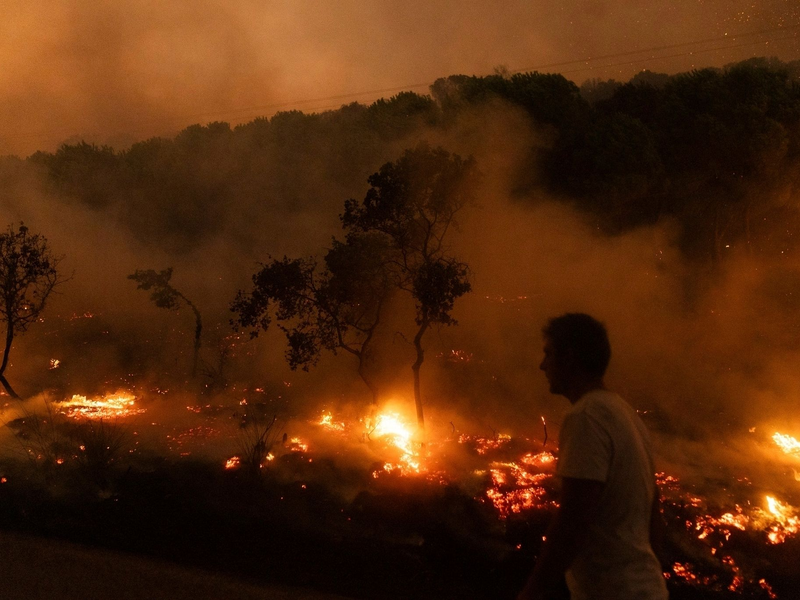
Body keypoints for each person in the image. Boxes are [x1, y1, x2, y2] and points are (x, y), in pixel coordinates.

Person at [517, 313, 668, 600]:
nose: (542, 365)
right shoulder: (625, 414)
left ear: (570, 357)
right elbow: (654, 516)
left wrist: (531, 594)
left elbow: (572, 522)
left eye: (548, 354)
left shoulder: (586, 417)